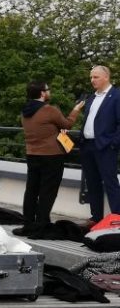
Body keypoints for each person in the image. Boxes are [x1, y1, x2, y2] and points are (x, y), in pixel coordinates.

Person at [16, 80, 83, 236]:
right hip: (52, 157)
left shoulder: (25, 111)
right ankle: (41, 225)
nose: (49, 91)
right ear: (42, 93)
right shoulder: (49, 110)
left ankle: (28, 223)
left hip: (32, 155)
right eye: (48, 89)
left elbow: (44, 128)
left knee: (32, 190)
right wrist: (76, 109)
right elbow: (67, 124)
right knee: (48, 191)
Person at [80, 65, 120, 226]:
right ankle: (96, 217)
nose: (92, 80)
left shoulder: (116, 96)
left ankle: (116, 218)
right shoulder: (91, 98)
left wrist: (113, 144)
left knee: (110, 183)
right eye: (91, 77)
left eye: (95, 77)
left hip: (105, 147)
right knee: (92, 183)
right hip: (88, 146)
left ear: (106, 77)